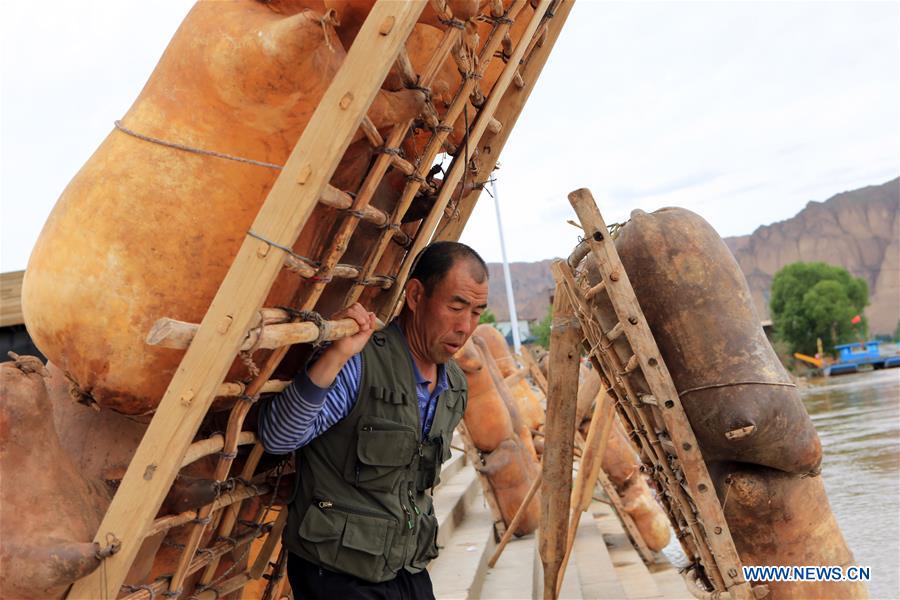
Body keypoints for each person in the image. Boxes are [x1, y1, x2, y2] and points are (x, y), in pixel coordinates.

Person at [257, 241, 489, 599]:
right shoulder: (360, 362)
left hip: (405, 565)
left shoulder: (453, 384)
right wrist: (337, 354)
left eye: (476, 312)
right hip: (337, 569)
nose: (465, 326)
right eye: (456, 306)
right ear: (415, 295)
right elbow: (279, 438)